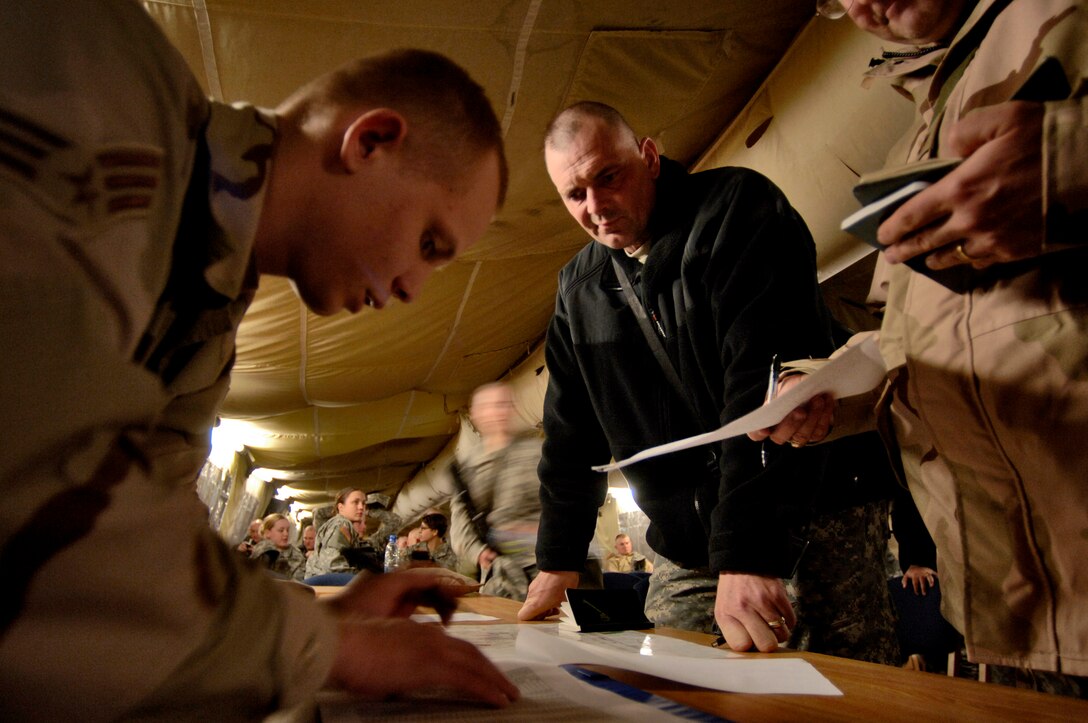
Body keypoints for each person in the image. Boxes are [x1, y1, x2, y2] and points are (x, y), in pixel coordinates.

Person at [0, 1, 519, 718]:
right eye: (430, 244)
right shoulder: (103, 93)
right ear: (369, 141)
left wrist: (321, 622)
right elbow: (36, 490)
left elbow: (157, 539)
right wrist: (326, 646)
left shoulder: (205, 313)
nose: (412, 288)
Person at [759, 0, 1088, 696]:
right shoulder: (913, 140)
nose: (858, 4)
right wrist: (827, 387)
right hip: (1014, 605)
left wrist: (1067, 164)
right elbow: (915, 342)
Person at [518, 101, 899, 667]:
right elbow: (571, 437)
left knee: (835, 678)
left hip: (809, 500)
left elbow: (761, 389)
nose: (595, 207)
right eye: (575, 195)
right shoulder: (580, 291)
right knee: (678, 674)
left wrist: (748, 555)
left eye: (608, 177)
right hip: (687, 531)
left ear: (648, 157)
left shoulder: (739, 210)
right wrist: (558, 559)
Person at [449, 382, 546, 601]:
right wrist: (478, 552)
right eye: (490, 406)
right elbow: (460, 524)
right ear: (475, 414)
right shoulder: (466, 468)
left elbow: (562, 502)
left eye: (504, 404)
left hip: (544, 564)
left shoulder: (536, 454)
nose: (499, 411)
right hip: (502, 573)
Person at [307, 487, 380, 577]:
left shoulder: (345, 525)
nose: (361, 507)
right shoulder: (341, 524)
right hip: (325, 582)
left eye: (363, 503)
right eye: (355, 502)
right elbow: (333, 565)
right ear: (341, 507)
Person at [252, 513, 308, 582]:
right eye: (281, 530)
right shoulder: (259, 551)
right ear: (267, 533)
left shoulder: (296, 555)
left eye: (287, 530)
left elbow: (298, 582)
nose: (286, 534)